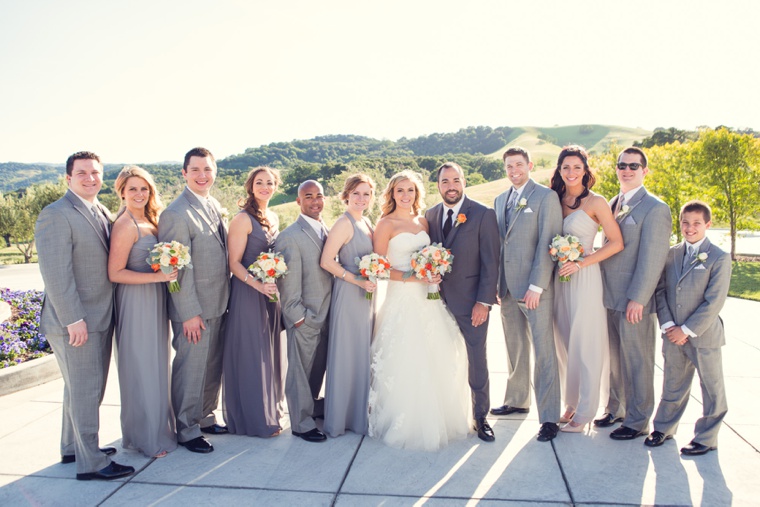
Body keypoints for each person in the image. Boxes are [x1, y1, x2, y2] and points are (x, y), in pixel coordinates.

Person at [35, 151, 134, 480]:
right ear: (68, 178)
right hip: (76, 322)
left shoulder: (99, 209)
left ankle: (72, 447)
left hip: (98, 316)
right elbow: (56, 274)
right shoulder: (56, 214)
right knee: (87, 390)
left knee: (77, 388)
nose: (90, 178)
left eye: (95, 172)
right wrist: (72, 319)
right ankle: (91, 463)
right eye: (82, 174)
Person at [371, 170, 472, 451]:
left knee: (436, 352)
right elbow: (379, 268)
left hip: (429, 297)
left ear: (417, 194)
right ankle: (407, 420)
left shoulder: (424, 221)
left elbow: (432, 256)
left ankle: (439, 416)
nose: (406, 195)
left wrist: (434, 271)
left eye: (411, 190)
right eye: (400, 190)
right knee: (406, 356)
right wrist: (416, 277)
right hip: (402, 297)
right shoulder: (385, 224)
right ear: (391, 194)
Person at [597, 147, 672, 441]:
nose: (627, 169)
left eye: (633, 165)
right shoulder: (614, 202)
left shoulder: (655, 208)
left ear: (644, 170)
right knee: (616, 359)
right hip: (609, 297)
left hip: (633, 301)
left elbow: (653, 258)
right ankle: (617, 408)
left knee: (637, 360)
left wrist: (639, 298)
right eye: (622, 165)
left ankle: (638, 420)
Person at [158, 147, 230, 453]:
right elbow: (175, 271)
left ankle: (204, 415)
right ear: (184, 173)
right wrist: (188, 313)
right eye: (196, 170)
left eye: (208, 169)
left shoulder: (212, 203)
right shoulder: (176, 213)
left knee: (211, 366)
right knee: (190, 368)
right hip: (194, 308)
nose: (203, 176)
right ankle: (186, 429)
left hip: (219, 302)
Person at [645, 201, 731, 456]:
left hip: (704, 336)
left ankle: (706, 438)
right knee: (673, 384)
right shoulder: (671, 254)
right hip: (673, 334)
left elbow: (714, 301)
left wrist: (687, 329)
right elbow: (660, 290)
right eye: (685, 222)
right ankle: (664, 428)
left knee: (712, 388)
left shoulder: (718, 257)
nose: (689, 228)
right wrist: (670, 325)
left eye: (696, 223)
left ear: (707, 224)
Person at [491, 146, 563, 442]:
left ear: (530, 165)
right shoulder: (499, 200)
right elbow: (499, 244)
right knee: (515, 347)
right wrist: (497, 285)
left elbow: (550, 241)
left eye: (519, 165)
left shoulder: (546, 197)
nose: (514, 170)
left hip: (535, 289)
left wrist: (537, 285)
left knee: (544, 353)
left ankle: (549, 418)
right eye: (509, 166)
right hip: (506, 288)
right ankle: (517, 400)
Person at [549, 146, 623, 432]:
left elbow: (616, 243)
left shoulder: (596, 202)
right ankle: (572, 403)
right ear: (559, 170)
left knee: (586, 343)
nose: (571, 172)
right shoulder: (554, 199)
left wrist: (581, 263)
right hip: (560, 278)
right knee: (566, 342)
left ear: (585, 170)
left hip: (585, 277)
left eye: (576, 167)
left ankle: (586, 411)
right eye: (565, 167)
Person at [425, 162, 500, 442]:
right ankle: (445, 413)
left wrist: (484, 301)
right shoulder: (430, 215)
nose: (451, 186)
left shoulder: (482, 214)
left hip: (472, 303)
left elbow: (492, 262)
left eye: (456, 180)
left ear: (464, 182)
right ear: (439, 186)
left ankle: (481, 417)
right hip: (434, 302)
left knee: (476, 359)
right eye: (445, 182)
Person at [108, 166, 178, 457]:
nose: (139, 194)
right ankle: (147, 438)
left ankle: (156, 429)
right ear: (122, 192)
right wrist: (158, 278)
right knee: (141, 366)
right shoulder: (125, 225)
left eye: (144, 188)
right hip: (136, 301)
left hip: (155, 300)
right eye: (132, 188)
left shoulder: (151, 219)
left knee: (157, 364)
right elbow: (115, 273)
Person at [222, 166, 286, 437]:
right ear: (250, 186)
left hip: (269, 292)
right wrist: (257, 284)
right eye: (259, 182)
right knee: (252, 353)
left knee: (269, 351)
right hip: (248, 292)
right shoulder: (242, 219)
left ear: (275, 186)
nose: (265, 187)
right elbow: (233, 263)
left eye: (270, 183)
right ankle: (253, 419)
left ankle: (270, 409)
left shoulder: (273, 216)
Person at [320, 173, 377, 437]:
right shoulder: (344, 223)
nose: (361, 198)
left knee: (359, 352)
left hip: (365, 292)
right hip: (349, 292)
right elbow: (327, 261)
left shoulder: (365, 221)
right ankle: (340, 419)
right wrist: (356, 280)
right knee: (346, 353)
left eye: (366, 194)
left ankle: (357, 415)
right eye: (356, 193)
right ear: (346, 195)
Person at [275, 180, 332, 443]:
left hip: (327, 316)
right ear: (298, 201)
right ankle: (300, 423)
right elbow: (287, 287)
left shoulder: (326, 230)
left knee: (315, 371)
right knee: (300, 372)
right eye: (308, 196)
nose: (315, 201)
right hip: (305, 318)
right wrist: (299, 319)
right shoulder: (289, 236)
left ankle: (311, 411)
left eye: (319, 196)